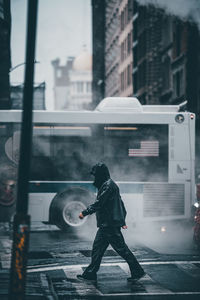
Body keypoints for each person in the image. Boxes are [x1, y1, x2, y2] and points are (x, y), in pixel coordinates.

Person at [77, 163, 145, 282]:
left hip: (109, 225)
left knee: (122, 250)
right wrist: (122, 220)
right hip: (107, 224)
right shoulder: (108, 184)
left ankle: (138, 271)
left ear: (100, 174)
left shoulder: (108, 186)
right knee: (97, 249)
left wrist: (84, 213)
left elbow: (99, 203)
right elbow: (121, 204)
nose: (94, 178)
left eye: (96, 175)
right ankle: (90, 273)